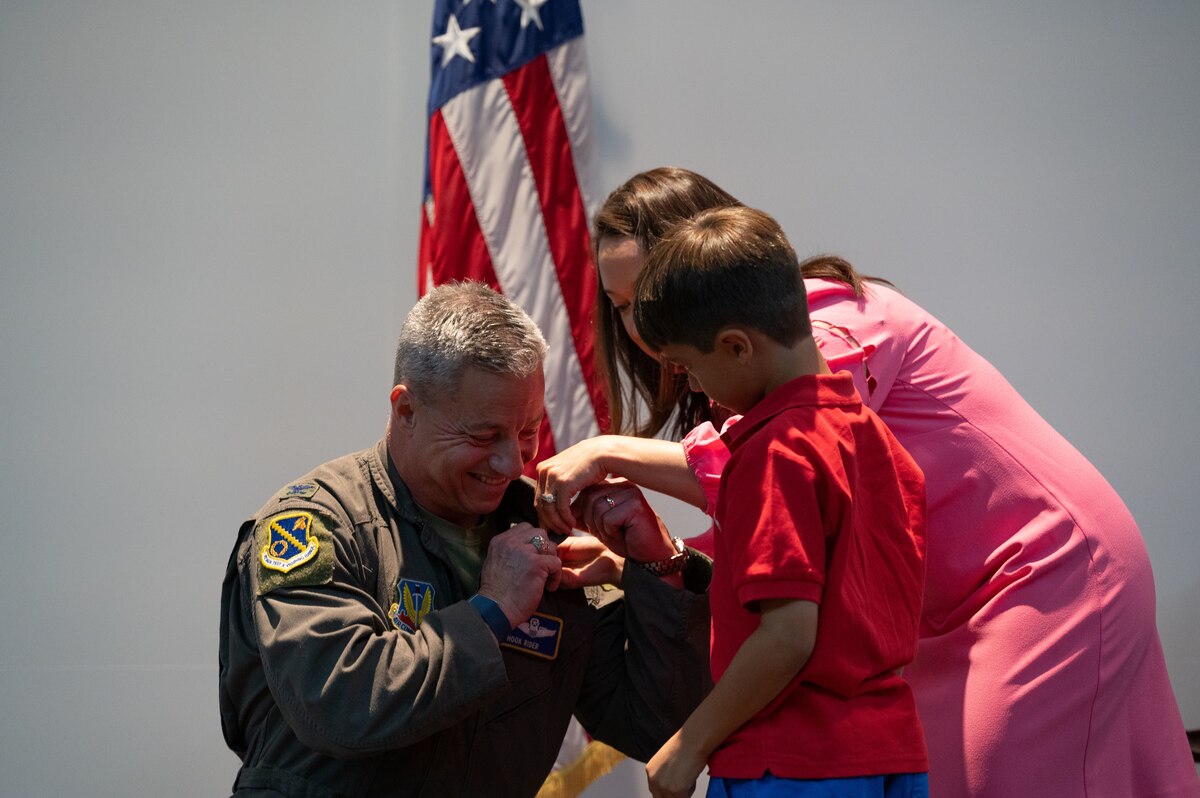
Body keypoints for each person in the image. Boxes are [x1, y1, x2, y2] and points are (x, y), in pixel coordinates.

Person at [535, 167, 1200, 797]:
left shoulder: (812, 364)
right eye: (623, 307)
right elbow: (782, 543)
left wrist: (605, 452)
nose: (644, 331)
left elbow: (768, 498)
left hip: (1041, 574)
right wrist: (657, 560)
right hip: (933, 634)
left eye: (650, 292)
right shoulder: (793, 408)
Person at [218, 281, 713, 798]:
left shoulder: (543, 526)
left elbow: (655, 727)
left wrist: (659, 565)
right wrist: (493, 610)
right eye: (483, 436)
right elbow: (340, 707)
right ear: (406, 410)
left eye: (528, 431)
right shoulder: (315, 525)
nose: (513, 463)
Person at [631, 205, 929, 798]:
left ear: (736, 347)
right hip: (891, 754)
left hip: (790, 765)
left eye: (689, 368)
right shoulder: (876, 440)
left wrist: (689, 744)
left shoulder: (773, 453)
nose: (694, 386)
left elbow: (789, 634)